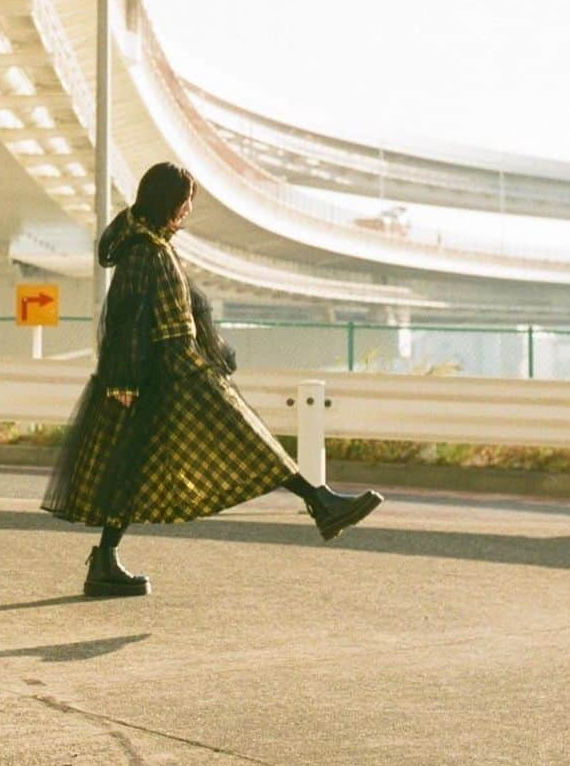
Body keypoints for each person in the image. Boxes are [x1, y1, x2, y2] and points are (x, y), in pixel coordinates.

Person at [41, 161, 383, 597]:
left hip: (174, 367)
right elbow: (125, 318)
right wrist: (124, 381)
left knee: (141, 465)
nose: (186, 210)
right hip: (164, 372)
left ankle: (105, 561)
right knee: (235, 436)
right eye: (183, 202)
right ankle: (320, 502)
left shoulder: (152, 244)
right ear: (167, 201)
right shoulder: (144, 251)